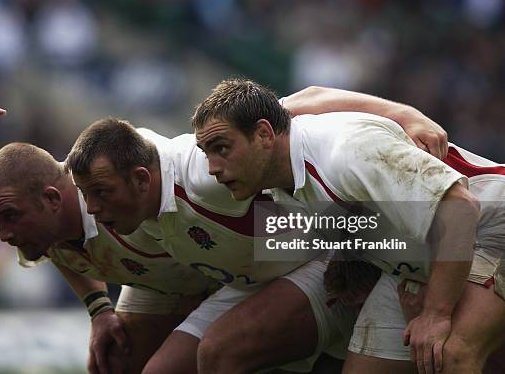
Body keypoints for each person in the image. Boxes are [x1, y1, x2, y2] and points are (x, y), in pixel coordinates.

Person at [64, 86, 449, 374]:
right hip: (255, 278)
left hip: (313, 261)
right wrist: (99, 309)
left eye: (98, 194)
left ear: (141, 179)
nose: (93, 208)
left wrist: (405, 114)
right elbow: (59, 246)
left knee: (221, 352)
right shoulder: (119, 214)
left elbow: (302, 103)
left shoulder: (206, 171)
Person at [191, 78, 504, 374]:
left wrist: (437, 313)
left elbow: (460, 210)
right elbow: (309, 96)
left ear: (263, 135)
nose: (212, 168)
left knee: (449, 354)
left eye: (222, 148)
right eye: (206, 153)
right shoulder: (276, 157)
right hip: (425, 261)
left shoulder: (348, 152)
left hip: (490, 226)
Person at [0, 143, 218, 374]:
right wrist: (99, 309)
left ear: (52, 199)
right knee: (118, 360)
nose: (4, 235)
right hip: (170, 279)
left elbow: (256, 189)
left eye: (9, 216)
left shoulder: (125, 188)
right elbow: (55, 249)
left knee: (195, 360)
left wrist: (259, 252)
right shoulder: (42, 223)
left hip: (237, 277)